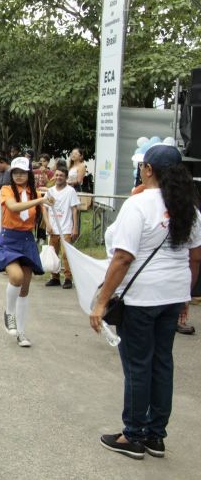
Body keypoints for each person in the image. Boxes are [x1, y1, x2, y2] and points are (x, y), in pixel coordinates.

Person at [91, 145, 201, 459]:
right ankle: (156, 436)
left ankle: (133, 435)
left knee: (138, 366)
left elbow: (123, 257)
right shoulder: (189, 208)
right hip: (173, 294)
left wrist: (101, 302)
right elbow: (195, 257)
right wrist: (185, 294)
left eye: (143, 166)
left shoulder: (138, 205)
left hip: (141, 298)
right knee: (162, 364)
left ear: (149, 169)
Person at [0, 157, 54, 347]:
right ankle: (9, 313)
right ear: (11, 174)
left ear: (29, 174)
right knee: (16, 277)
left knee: (25, 289)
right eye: (16, 172)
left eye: (23, 173)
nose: (19, 176)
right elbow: (13, 207)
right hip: (9, 239)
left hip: (27, 240)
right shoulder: (7, 190)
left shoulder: (34, 192)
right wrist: (41, 198)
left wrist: (49, 222)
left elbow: (43, 207)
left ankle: (21, 333)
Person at [43, 166, 80, 289]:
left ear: (66, 177)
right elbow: (45, 208)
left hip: (66, 228)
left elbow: (74, 209)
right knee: (53, 253)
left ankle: (68, 278)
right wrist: (47, 223)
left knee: (66, 255)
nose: (58, 177)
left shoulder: (70, 191)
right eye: (57, 175)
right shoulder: (50, 191)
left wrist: (75, 227)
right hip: (53, 228)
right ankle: (55, 277)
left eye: (61, 175)